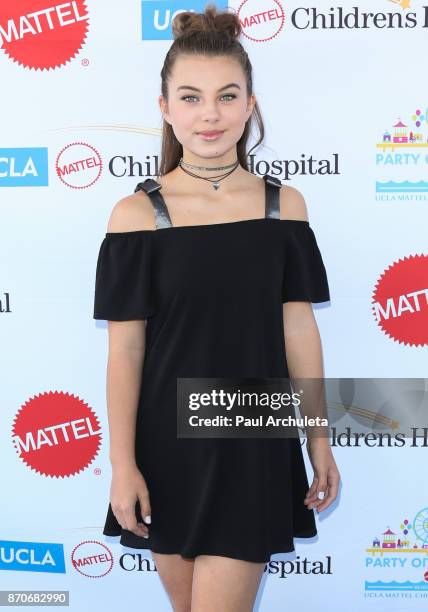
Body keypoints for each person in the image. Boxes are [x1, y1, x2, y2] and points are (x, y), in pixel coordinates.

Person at [93, 4, 340, 611]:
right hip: (165, 446)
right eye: (192, 97)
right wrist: (122, 466)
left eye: (228, 96)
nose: (210, 114)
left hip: (250, 434)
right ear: (166, 108)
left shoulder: (285, 207)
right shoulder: (136, 216)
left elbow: (299, 330)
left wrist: (319, 440)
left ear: (250, 104)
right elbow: (125, 351)